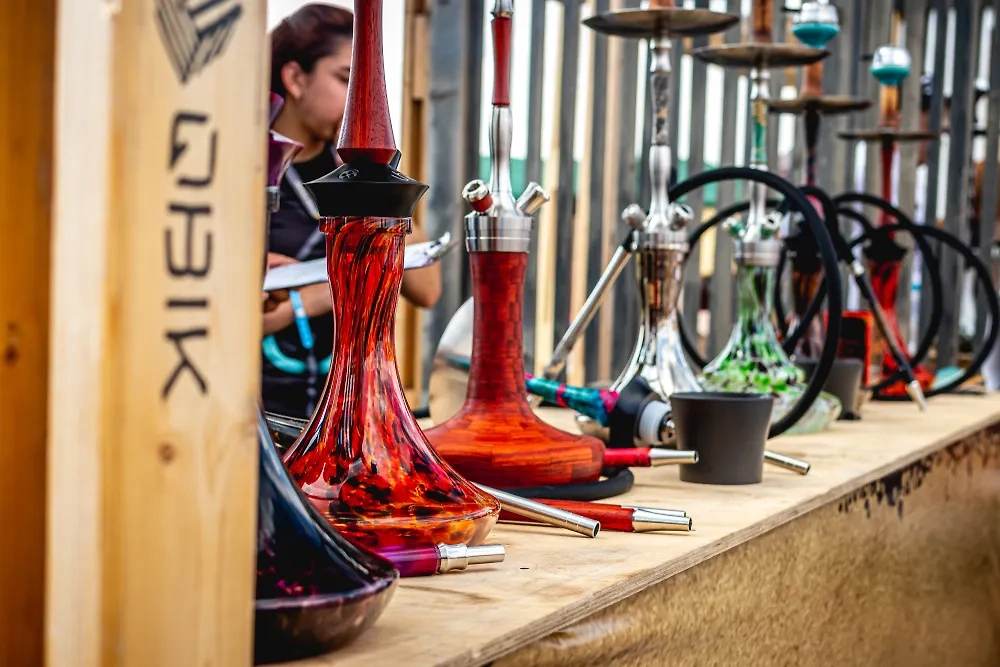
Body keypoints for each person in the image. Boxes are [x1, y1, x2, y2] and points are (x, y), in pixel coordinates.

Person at [264, 3, 441, 418]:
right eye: (346, 80)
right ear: (295, 78)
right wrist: (326, 293)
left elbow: (427, 288)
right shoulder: (250, 166)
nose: (356, 100)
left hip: (348, 410)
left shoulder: (350, 172)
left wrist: (381, 183)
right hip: (263, 413)